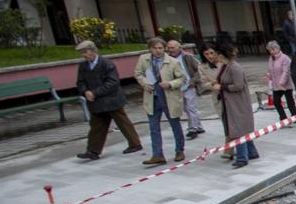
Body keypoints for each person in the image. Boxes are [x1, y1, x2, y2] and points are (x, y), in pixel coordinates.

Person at [74, 40, 142, 161]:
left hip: (111, 99)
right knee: (96, 127)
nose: (84, 55)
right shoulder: (83, 66)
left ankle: (135, 144)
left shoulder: (106, 64)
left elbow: (113, 83)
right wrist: (85, 92)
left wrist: (94, 93)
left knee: (123, 123)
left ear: (94, 51)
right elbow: (80, 82)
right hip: (96, 102)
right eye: (82, 53)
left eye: (85, 52)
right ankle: (93, 151)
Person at [134, 36, 187, 166]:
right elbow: (138, 73)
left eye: (160, 48)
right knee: (153, 127)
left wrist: (170, 84)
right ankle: (157, 154)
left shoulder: (173, 62)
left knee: (175, 124)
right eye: (155, 48)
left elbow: (182, 79)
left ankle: (179, 150)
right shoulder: (144, 59)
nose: (158, 51)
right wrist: (144, 83)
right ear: (150, 49)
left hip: (168, 96)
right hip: (152, 95)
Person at [211, 43, 259, 168]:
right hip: (230, 103)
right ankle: (252, 152)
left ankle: (242, 157)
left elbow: (239, 86)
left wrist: (221, 87)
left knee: (238, 130)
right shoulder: (225, 66)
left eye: (216, 54)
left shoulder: (234, 67)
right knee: (240, 128)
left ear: (221, 55)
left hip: (238, 103)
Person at [166, 39, 205, 140]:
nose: (170, 50)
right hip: (177, 87)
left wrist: (193, 82)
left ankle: (193, 129)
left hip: (189, 85)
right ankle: (199, 126)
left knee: (190, 107)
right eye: (169, 48)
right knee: (186, 108)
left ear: (179, 47)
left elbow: (199, 70)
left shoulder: (188, 57)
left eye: (172, 47)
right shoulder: (167, 59)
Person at [264, 40, 296, 124]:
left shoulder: (285, 58)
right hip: (276, 85)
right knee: (276, 101)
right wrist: (268, 76)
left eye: (273, 49)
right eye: (270, 50)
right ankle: (283, 118)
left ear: (278, 48)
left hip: (285, 84)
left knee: (290, 101)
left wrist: (281, 82)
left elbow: (286, 72)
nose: (272, 51)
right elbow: (270, 70)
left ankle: (295, 116)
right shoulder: (271, 58)